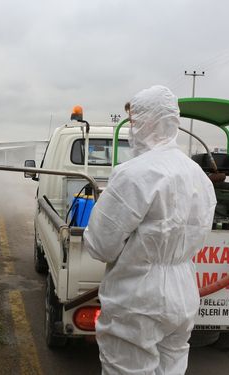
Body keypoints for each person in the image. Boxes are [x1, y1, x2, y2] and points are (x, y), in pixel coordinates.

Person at [84, 85, 217, 375]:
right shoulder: (198, 175)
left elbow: (99, 245)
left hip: (138, 295)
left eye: (133, 122)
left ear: (146, 122)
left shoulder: (134, 173)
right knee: (171, 368)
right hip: (183, 291)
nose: (131, 129)